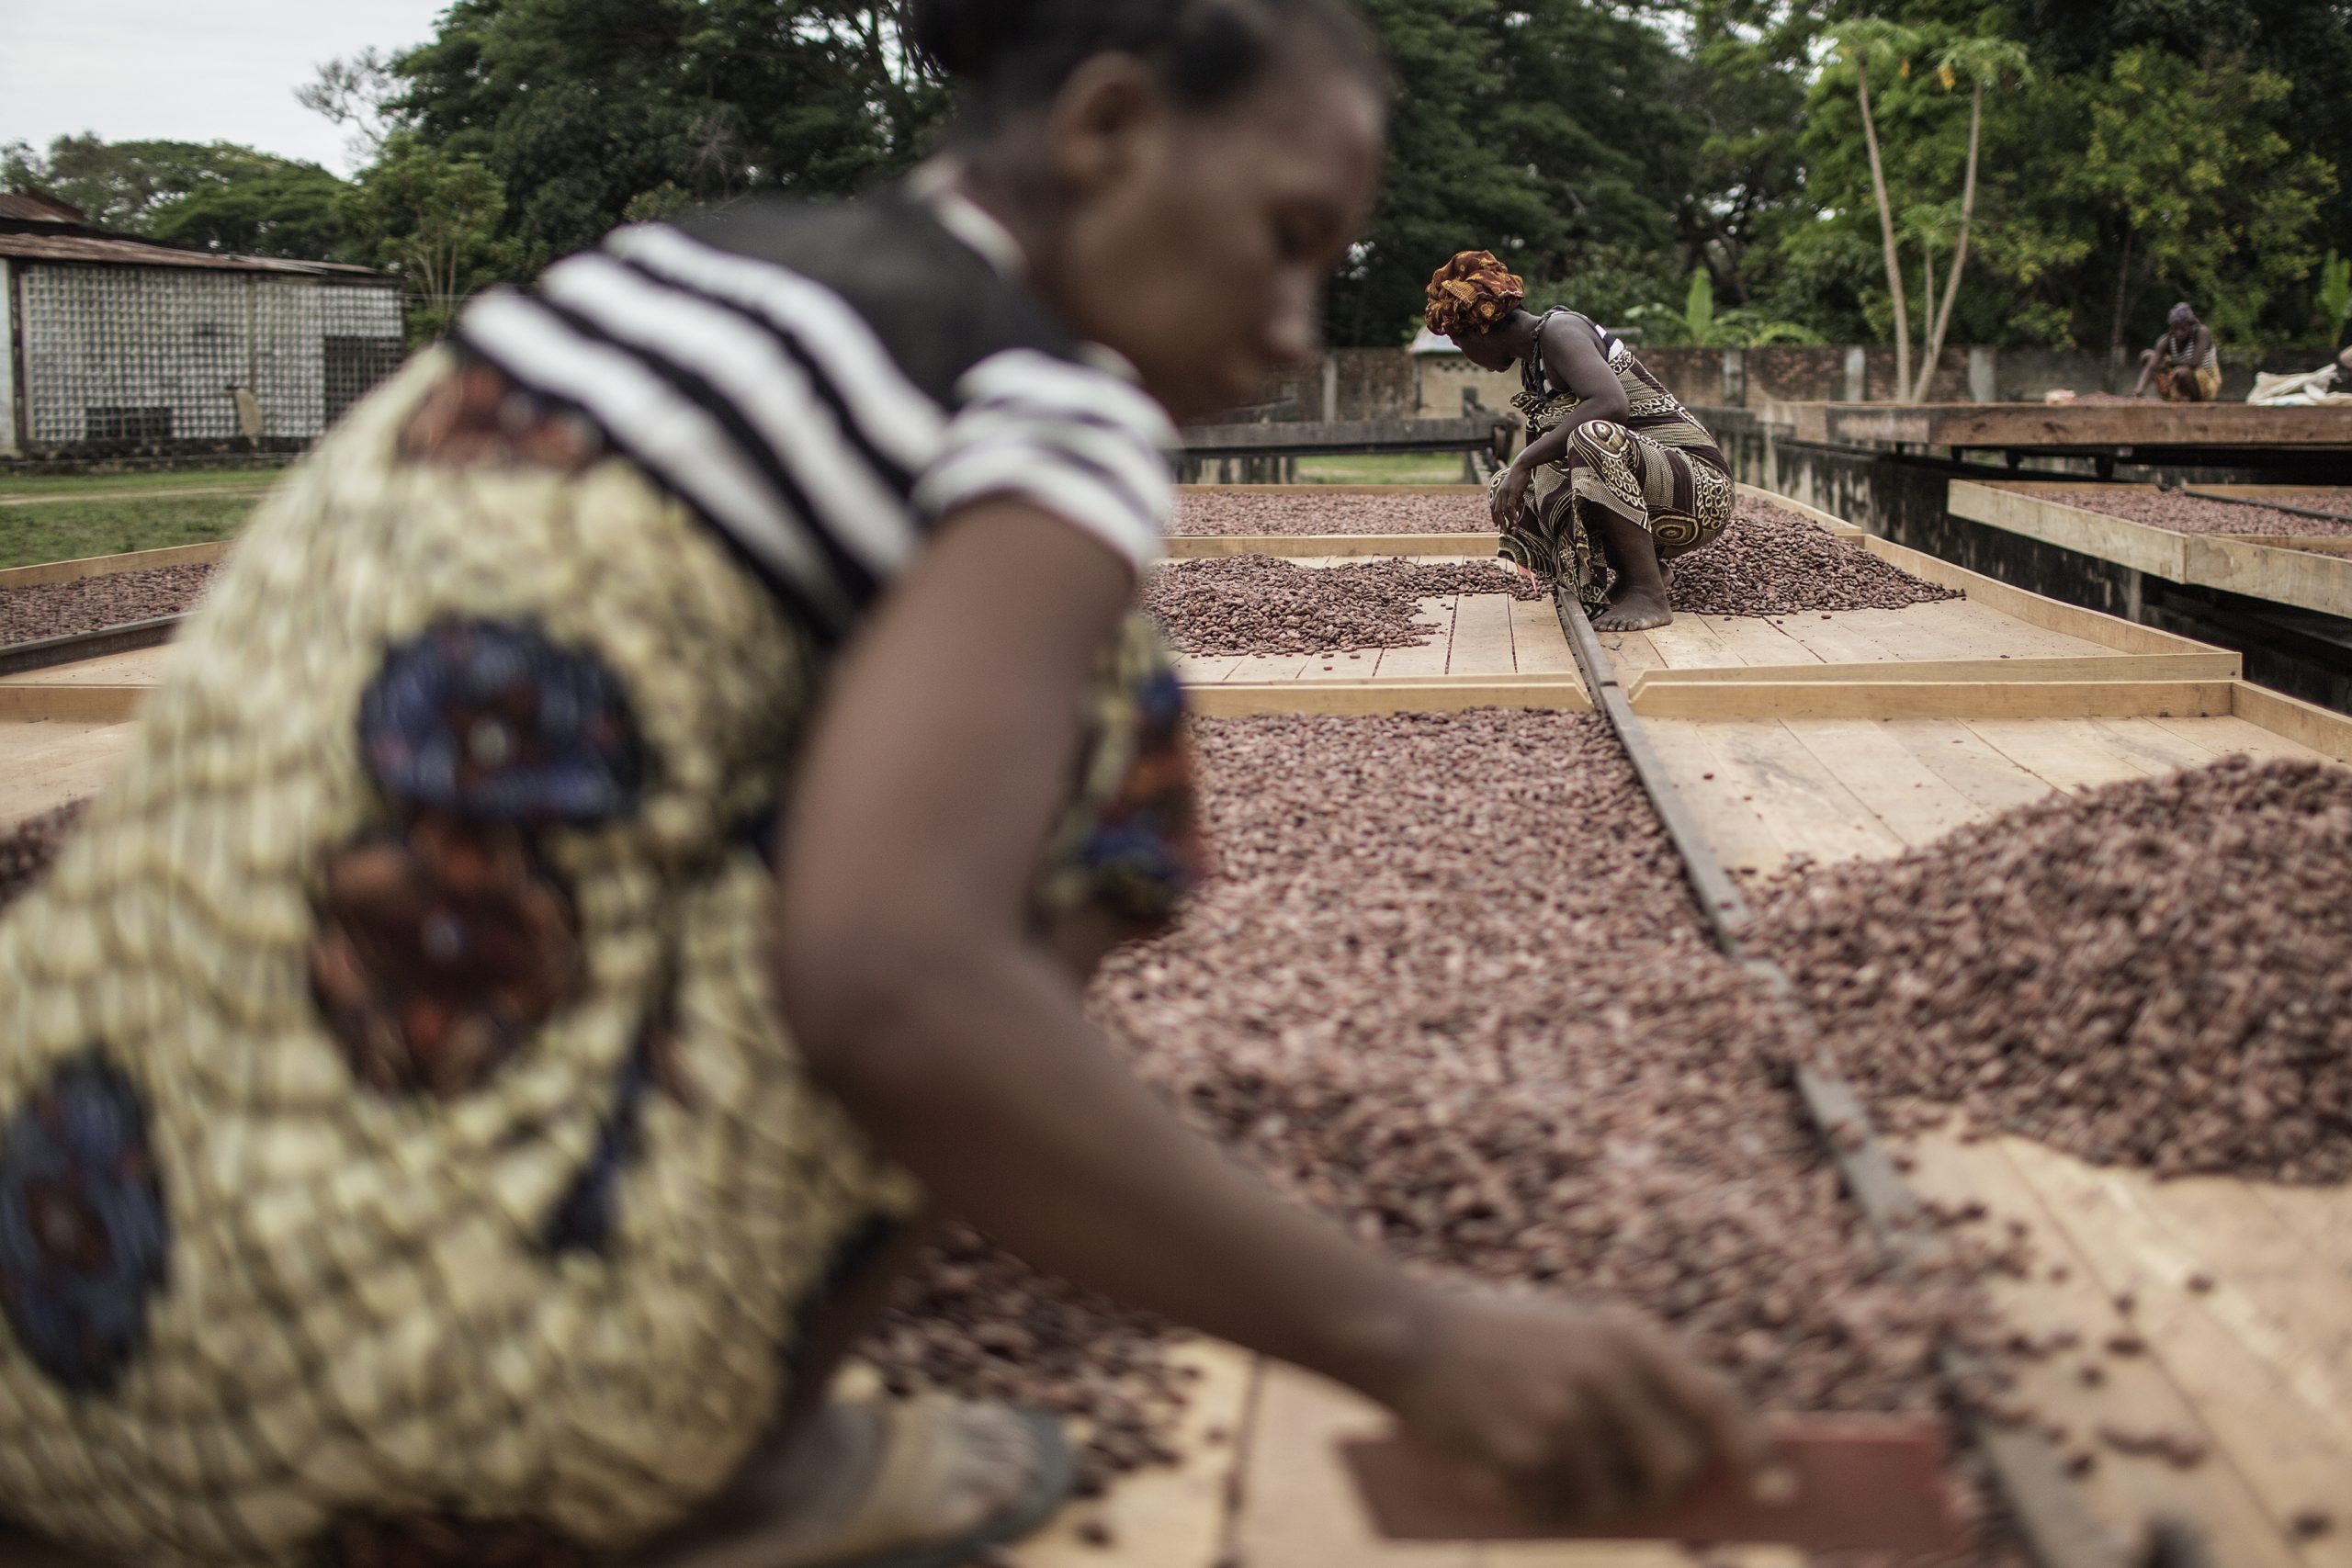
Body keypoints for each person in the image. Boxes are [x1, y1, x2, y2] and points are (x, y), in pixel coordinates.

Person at [0, 4, 1773, 1565]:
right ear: (1105, 135)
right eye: (1286, 239)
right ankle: (741, 1456)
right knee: (1100, 720)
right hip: (418, 1449)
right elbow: (890, 987)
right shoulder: (1034, 406)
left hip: (53, 1318)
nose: (1290, 321)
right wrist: (1413, 1338)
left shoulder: (653, 282)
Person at [1427, 252, 1733, 633]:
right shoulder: (1534, 363)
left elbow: (1610, 404)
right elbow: (1545, 459)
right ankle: (1644, 571)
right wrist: (1531, 506)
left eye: (1460, 346)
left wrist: (1523, 461)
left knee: (1591, 437)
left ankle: (1648, 592)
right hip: (1660, 500)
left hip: (1701, 490)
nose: (1467, 357)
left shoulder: (1561, 331)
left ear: (1480, 330)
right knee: (1511, 485)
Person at [2135, 302, 2222, 402]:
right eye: (2175, 328)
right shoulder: (2166, 340)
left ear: (2191, 326)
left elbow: (2194, 362)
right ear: (2171, 327)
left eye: (2183, 328)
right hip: (2178, 380)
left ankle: (2195, 402)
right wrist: (2139, 390)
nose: (2179, 332)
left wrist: (2171, 362)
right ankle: (2169, 394)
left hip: (2205, 384)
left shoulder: (2201, 333)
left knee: (2183, 372)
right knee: (2147, 356)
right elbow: (2151, 366)